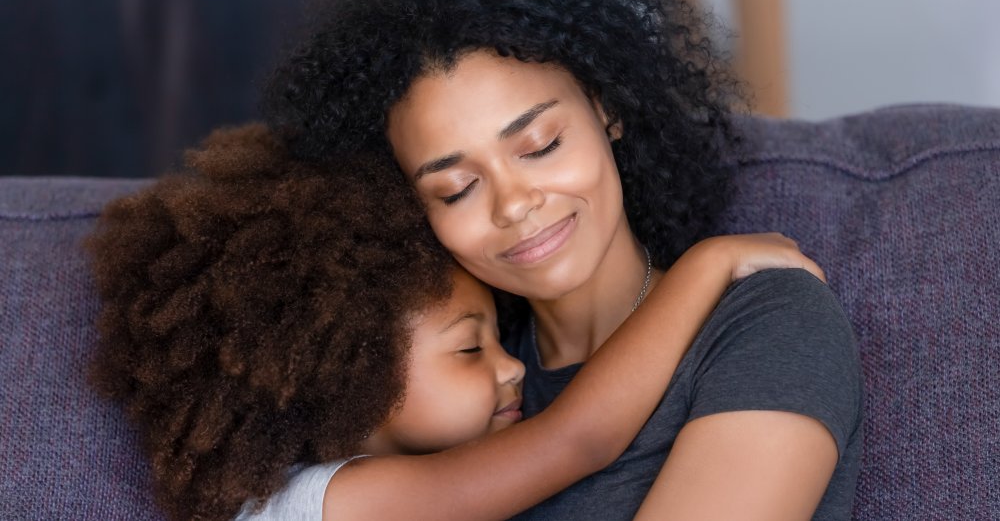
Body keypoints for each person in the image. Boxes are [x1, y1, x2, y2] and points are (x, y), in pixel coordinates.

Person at [262, 0, 864, 519]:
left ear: (606, 108)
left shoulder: (768, 321)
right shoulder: (449, 384)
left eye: (541, 145)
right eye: (456, 188)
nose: (515, 203)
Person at [89, 124, 825, 520]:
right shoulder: (331, 504)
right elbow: (579, 438)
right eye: (471, 347)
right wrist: (705, 267)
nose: (513, 369)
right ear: (356, 376)